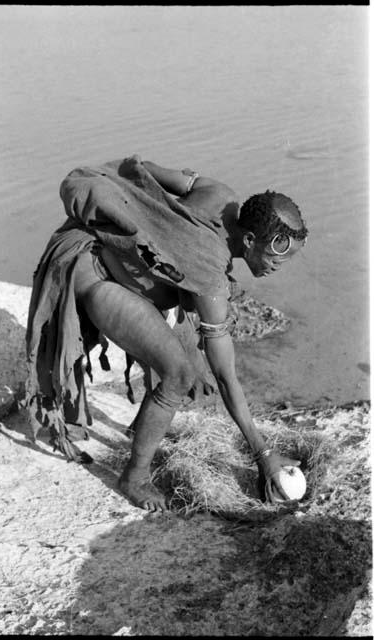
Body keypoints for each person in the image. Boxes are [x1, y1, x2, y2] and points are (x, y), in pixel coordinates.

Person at [25, 154, 308, 512]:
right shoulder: (210, 277)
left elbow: (147, 172)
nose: (276, 268)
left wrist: (154, 232)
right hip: (95, 274)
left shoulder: (220, 195)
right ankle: (135, 477)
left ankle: (141, 430)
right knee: (179, 373)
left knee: (176, 352)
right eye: (275, 259)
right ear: (249, 240)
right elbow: (225, 376)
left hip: (98, 252)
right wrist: (263, 452)